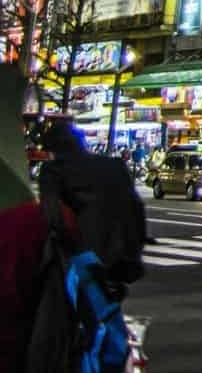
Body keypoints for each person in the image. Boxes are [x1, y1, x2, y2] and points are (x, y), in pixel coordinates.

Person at [36, 120, 147, 288]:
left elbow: (53, 216)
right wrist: (135, 250)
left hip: (77, 261)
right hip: (120, 258)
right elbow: (137, 209)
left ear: (55, 149)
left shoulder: (53, 171)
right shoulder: (114, 166)